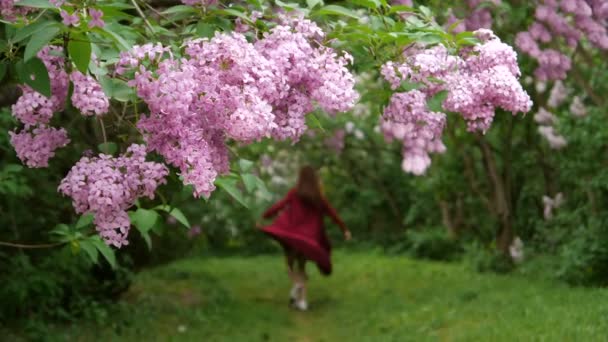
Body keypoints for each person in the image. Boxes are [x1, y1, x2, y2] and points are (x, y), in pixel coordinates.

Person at [258, 166, 351, 311]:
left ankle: (297, 285)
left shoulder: (295, 193)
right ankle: (302, 301)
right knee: (302, 266)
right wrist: (344, 229)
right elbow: (333, 214)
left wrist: (265, 216)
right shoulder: (319, 197)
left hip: (292, 234)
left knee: (290, 263)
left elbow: (280, 205)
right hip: (308, 239)